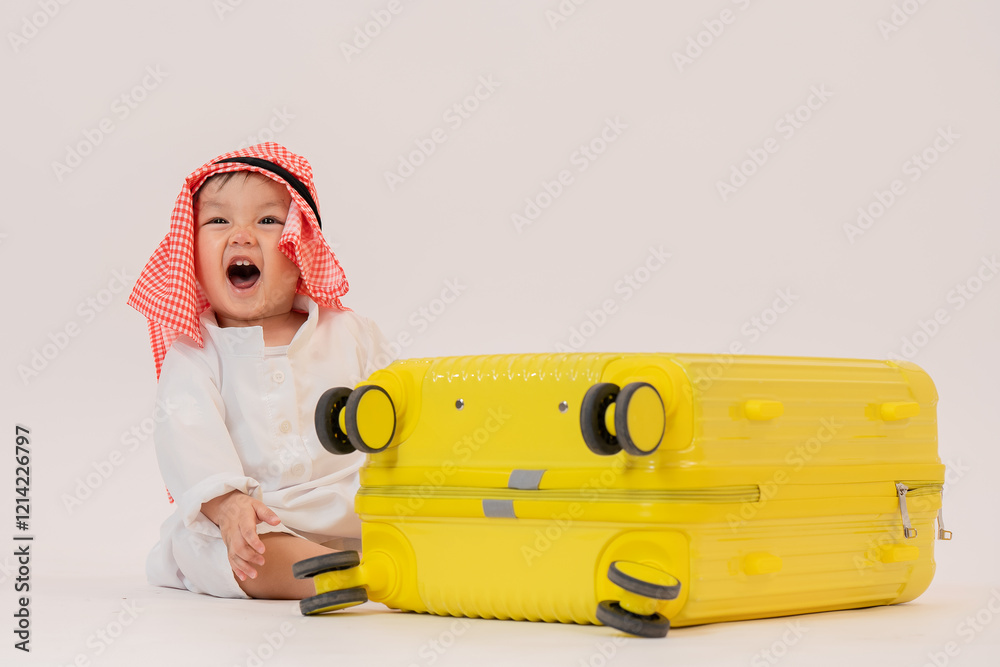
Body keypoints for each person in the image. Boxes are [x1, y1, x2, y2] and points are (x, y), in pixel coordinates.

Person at [128, 143, 388, 600]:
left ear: (300, 246)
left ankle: (382, 562)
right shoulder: (197, 353)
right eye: (218, 220)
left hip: (356, 509)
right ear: (190, 248)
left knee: (415, 514)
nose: (242, 236)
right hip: (261, 519)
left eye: (267, 221)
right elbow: (188, 441)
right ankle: (352, 576)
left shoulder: (350, 333)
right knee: (212, 546)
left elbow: (399, 410)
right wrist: (227, 507)